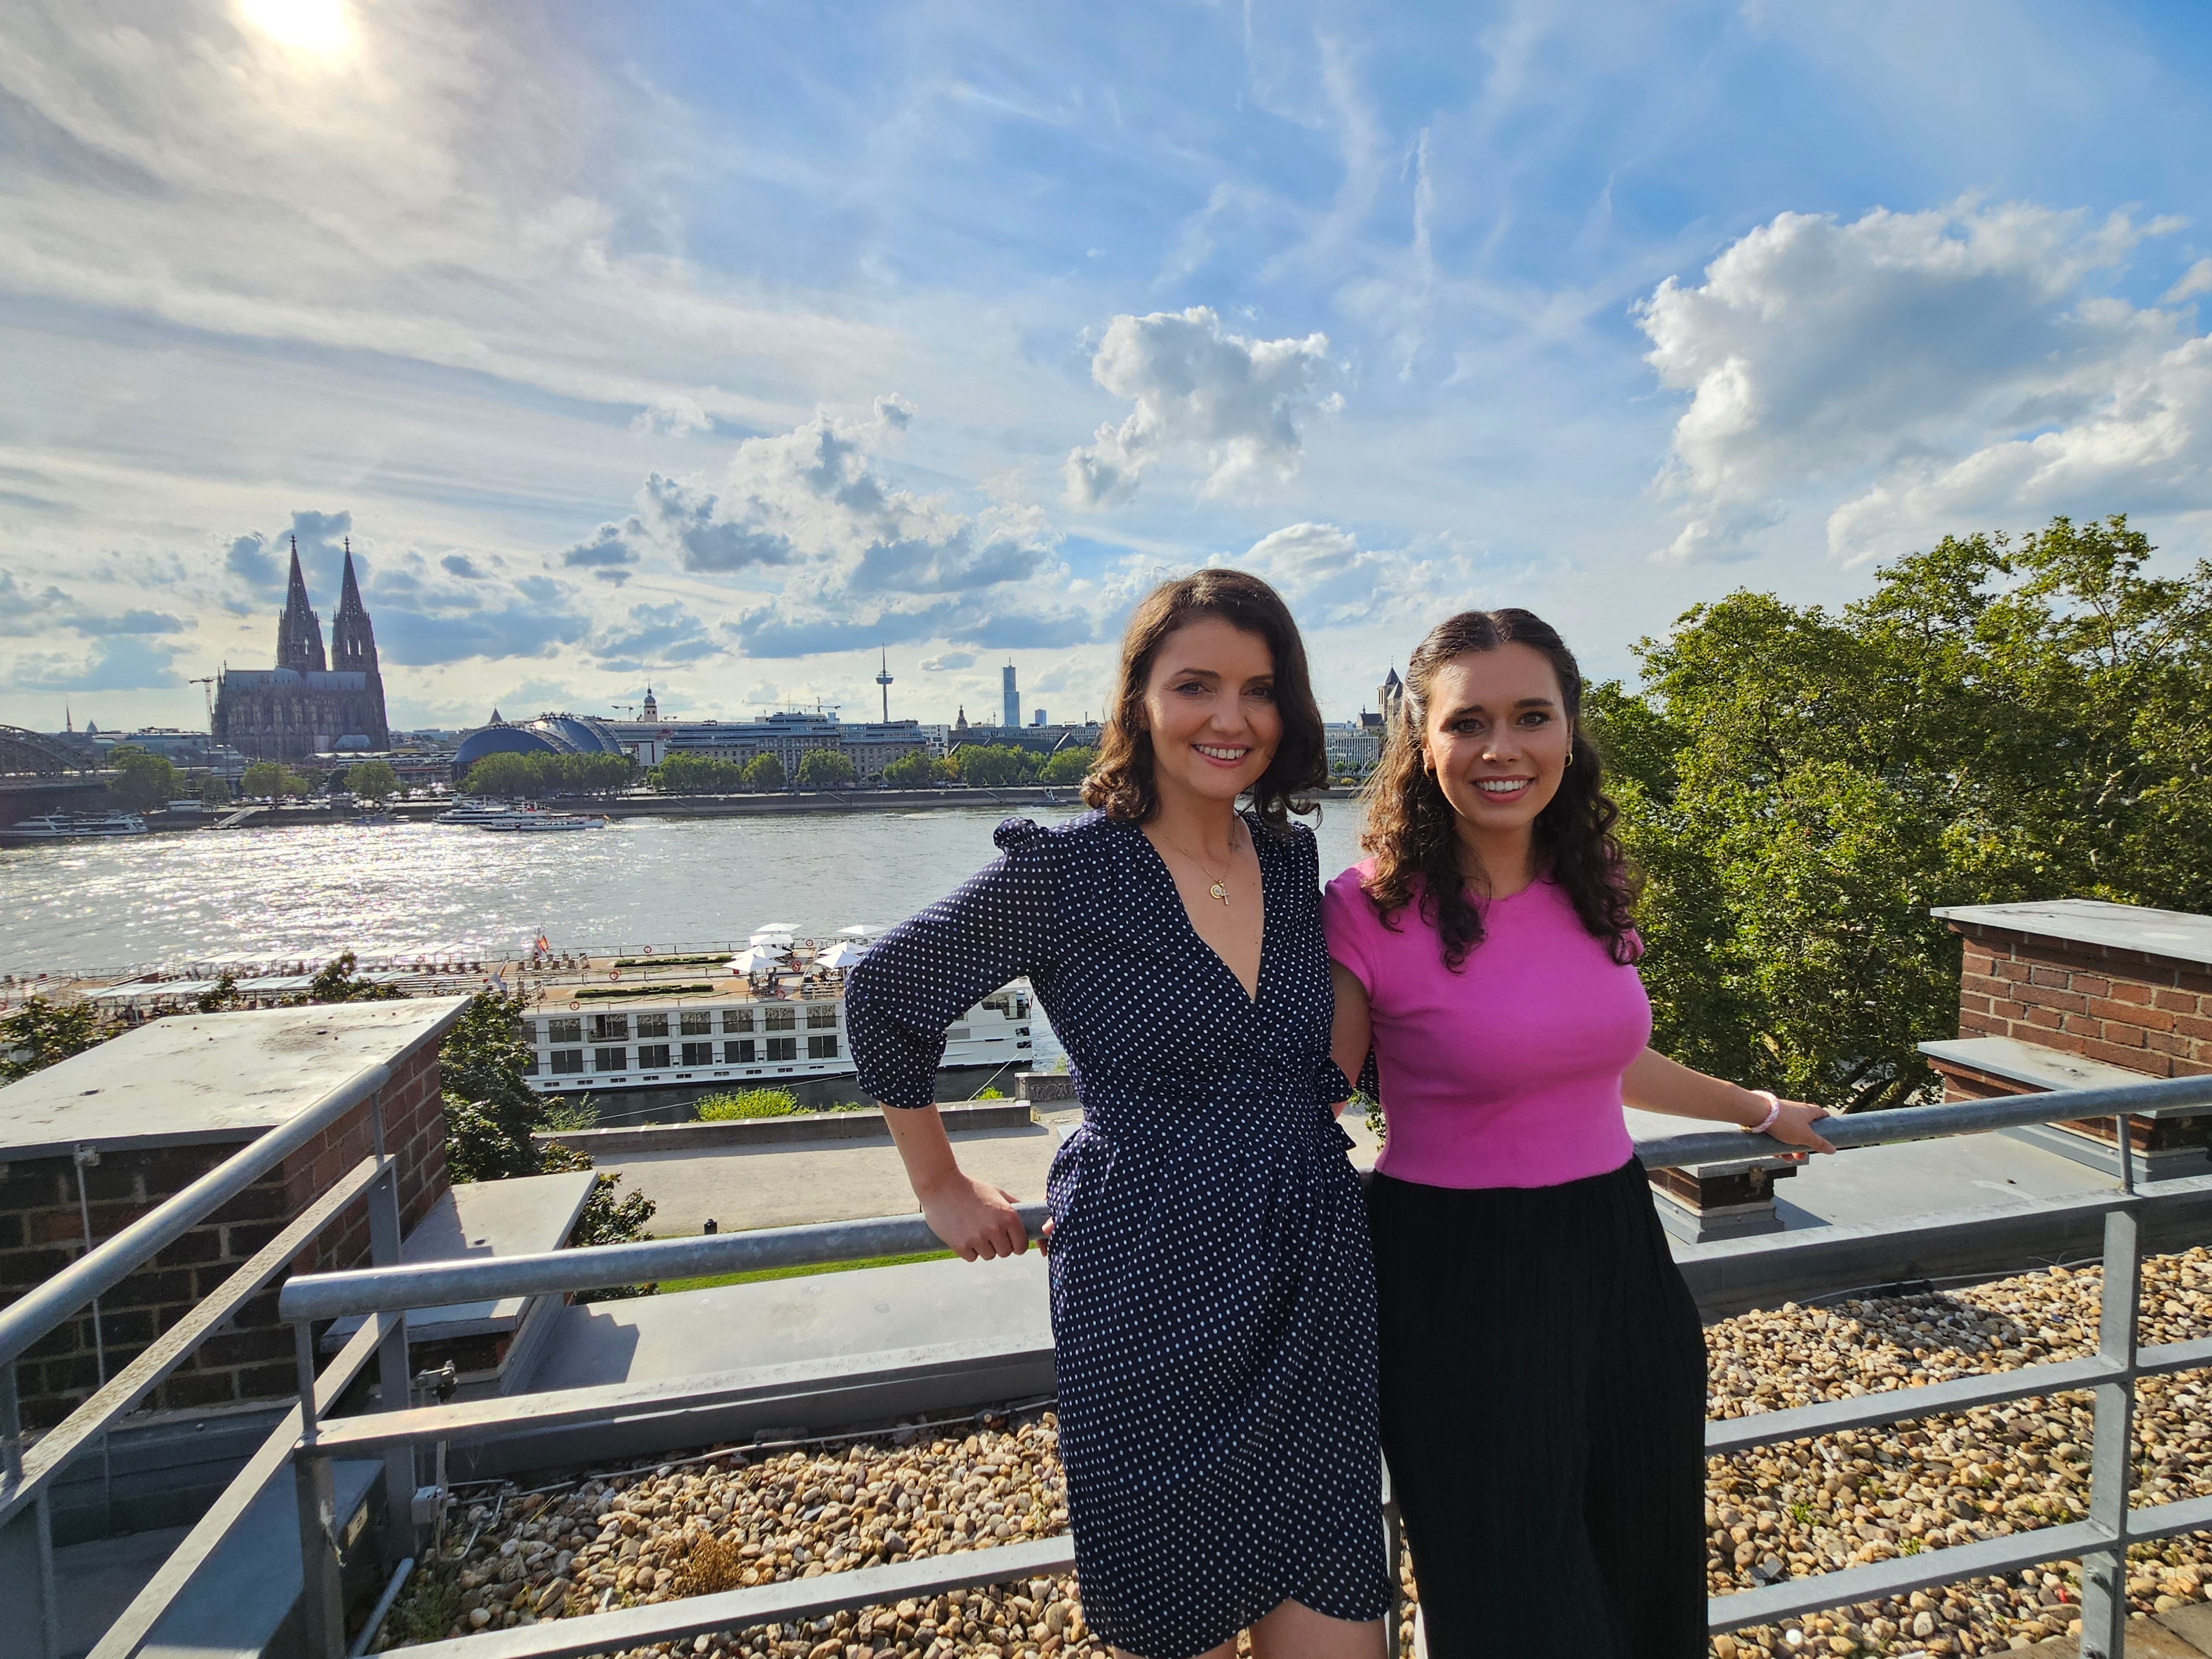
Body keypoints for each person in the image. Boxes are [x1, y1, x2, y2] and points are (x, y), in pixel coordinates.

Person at [845, 570, 1390, 1659]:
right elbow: (886, 996)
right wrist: (938, 1187)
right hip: (1147, 1280)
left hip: (1314, 1266)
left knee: (1336, 1615)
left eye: (1259, 689)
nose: (1229, 718)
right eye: (1196, 685)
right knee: (1170, 1613)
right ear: (1140, 699)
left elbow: (1322, 1025)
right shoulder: (1064, 873)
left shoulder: (1289, 860)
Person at [1322, 608, 1835, 1659]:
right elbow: (1301, 1107)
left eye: (1531, 717)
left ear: (1570, 732)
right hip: (1454, 1273)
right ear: (1423, 740)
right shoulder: (1366, 910)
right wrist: (1138, 1186)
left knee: (1645, 1571)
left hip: (1619, 1254)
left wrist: (1758, 1110)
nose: (1501, 749)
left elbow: (1602, 1059)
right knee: (1514, 1596)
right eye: (1469, 723)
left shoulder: (1587, 886)